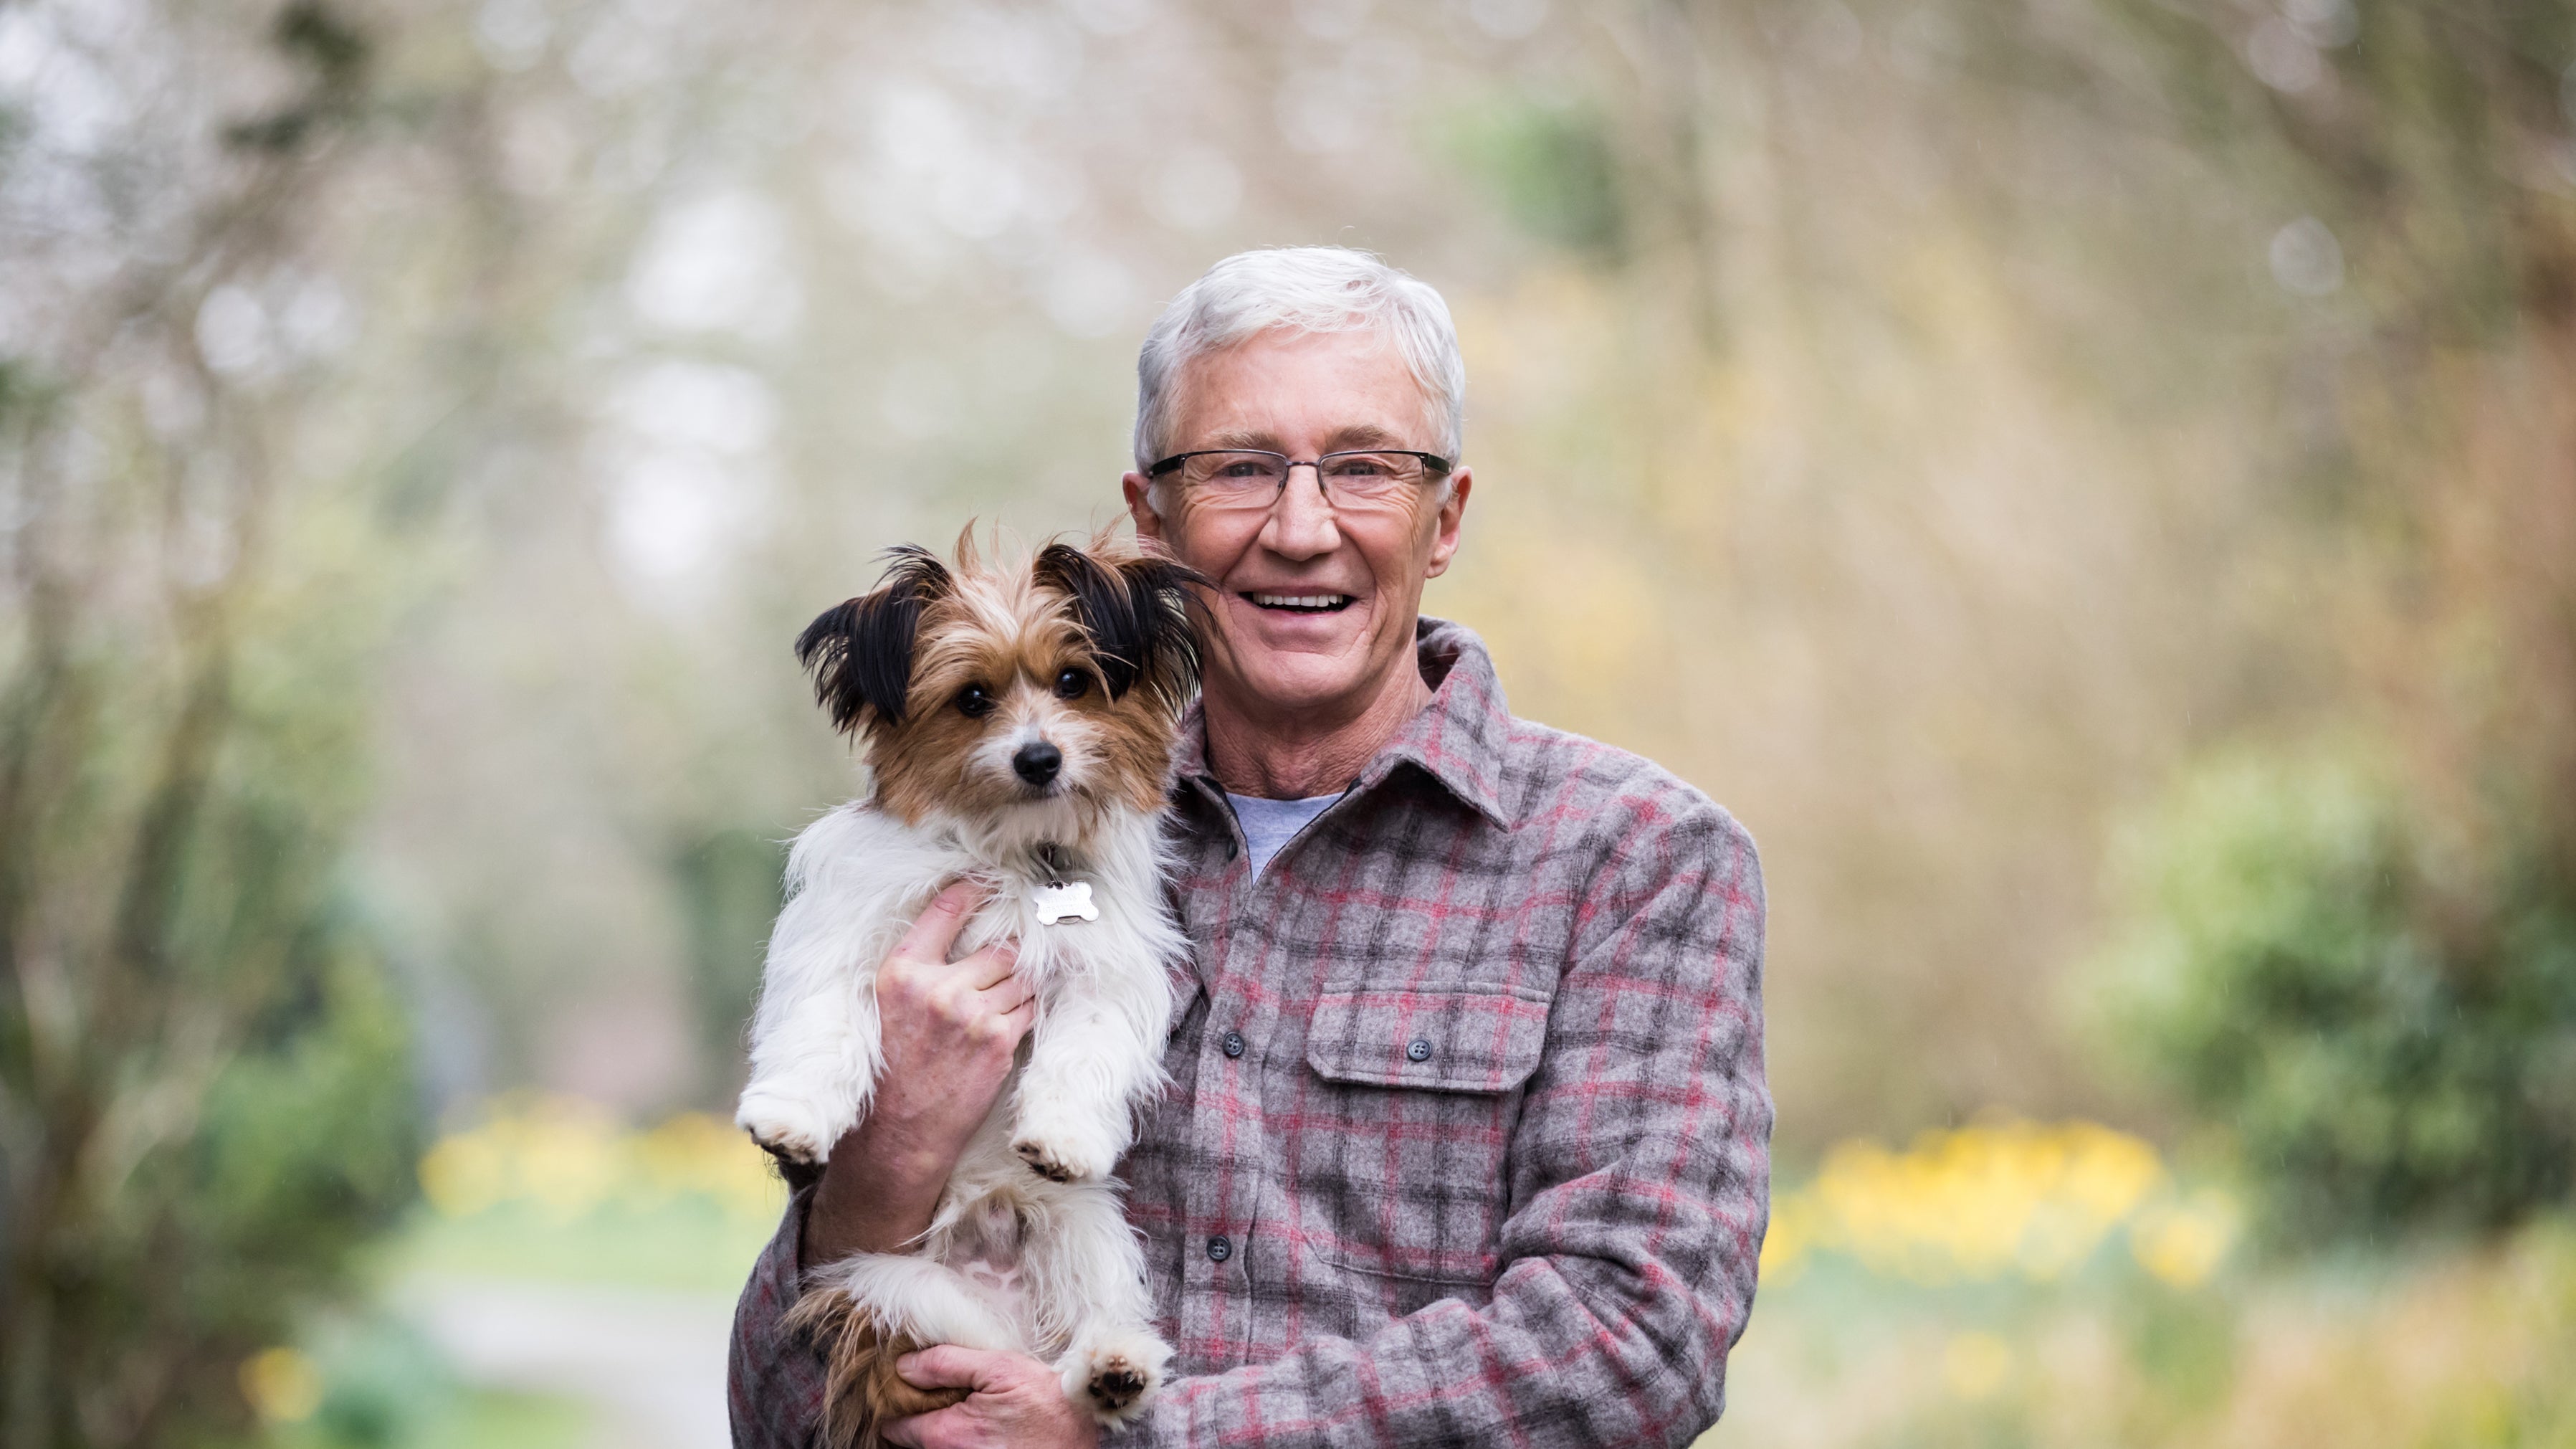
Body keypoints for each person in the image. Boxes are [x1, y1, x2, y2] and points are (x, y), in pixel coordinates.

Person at [728, 247, 1770, 1448]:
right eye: (1238, 468)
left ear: (1447, 519)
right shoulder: (1012, 837)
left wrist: (1133, 1436)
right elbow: (775, 1412)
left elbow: (1631, 1342)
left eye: (1365, 467)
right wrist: (883, 1162)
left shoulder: (1636, 861)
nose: (1300, 527)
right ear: (1148, 521)